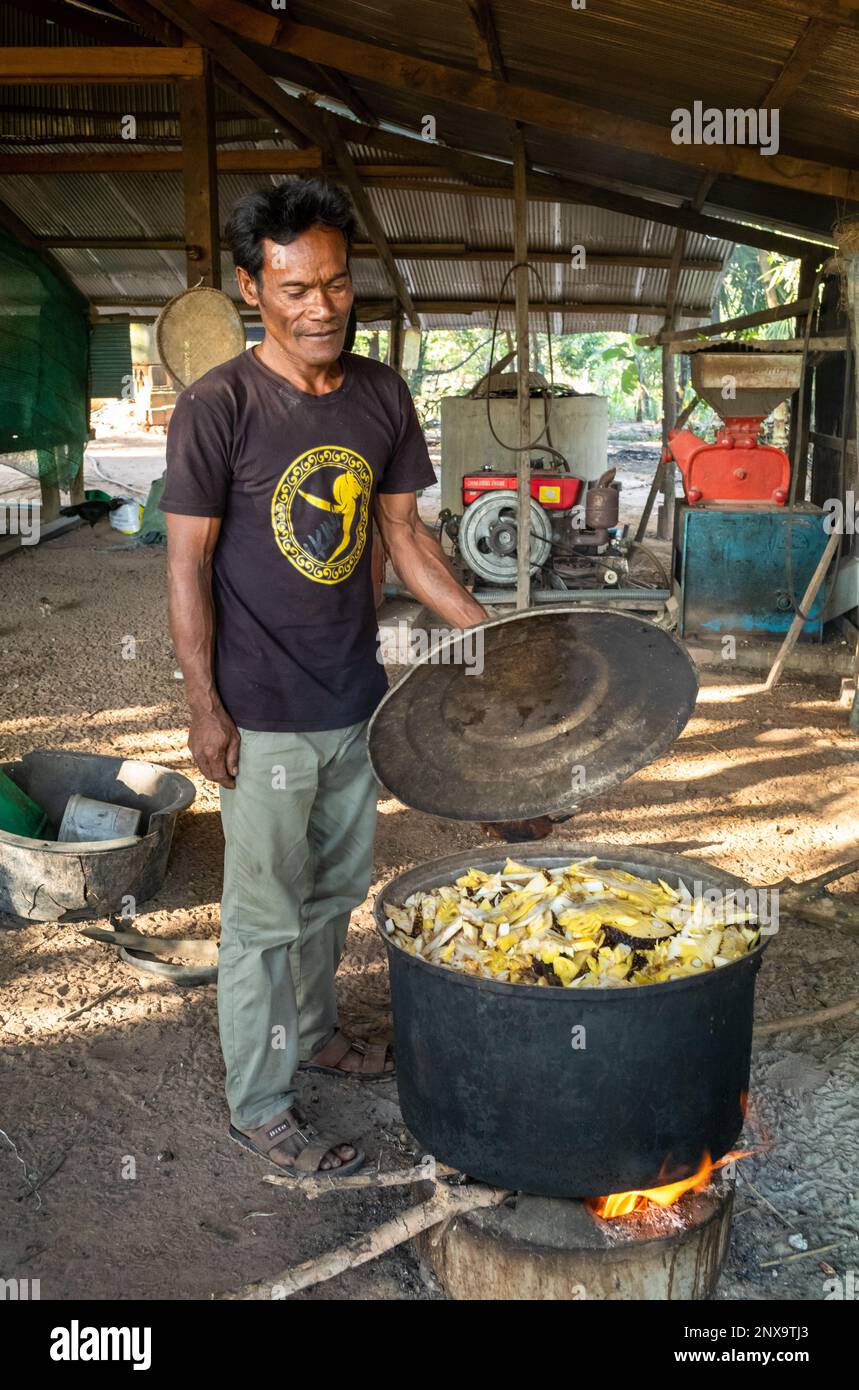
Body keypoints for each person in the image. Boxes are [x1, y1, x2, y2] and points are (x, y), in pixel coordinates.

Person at [161, 177, 488, 1181]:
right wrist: (203, 705)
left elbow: (403, 535)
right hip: (258, 709)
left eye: (336, 285)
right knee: (261, 918)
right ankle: (259, 1103)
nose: (320, 307)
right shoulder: (219, 407)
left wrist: (485, 634)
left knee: (334, 889)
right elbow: (184, 562)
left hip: (355, 696)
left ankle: (312, 1033)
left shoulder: (381, 395)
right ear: (254, 290)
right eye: (296, 287)